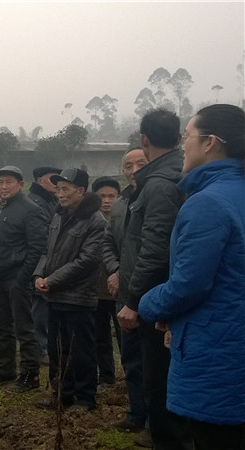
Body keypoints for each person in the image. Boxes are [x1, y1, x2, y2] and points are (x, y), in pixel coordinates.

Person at [139, 104, 245, 449]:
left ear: (210, 142)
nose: (183, 144)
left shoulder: (207, 203)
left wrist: (149, 303)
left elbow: (189, 285)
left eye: (187, 136)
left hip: (219, 355)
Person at [117, 108, 191, 448]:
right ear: (178, 138)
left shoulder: (160, 185)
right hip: (155, 295)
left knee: (158, 379)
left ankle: (165, 438)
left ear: (144, 140)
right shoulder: (165, 178)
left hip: (154, 299)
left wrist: (133, 300)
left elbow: (155, 250)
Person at [33, 168, 106, 411]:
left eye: (65, 189)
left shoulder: (95, 221)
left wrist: (52, 279)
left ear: (81, 191)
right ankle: (62, 394)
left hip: (78, 297)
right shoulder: (58, 216)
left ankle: (85, 399)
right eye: (58, 189)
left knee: (81, 350)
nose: (60, 194)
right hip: (54, 295)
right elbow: (47, 251)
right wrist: (39, 275)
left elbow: (87, 261)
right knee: (57, 349)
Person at [0, 166, 48, 392]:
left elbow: (38, 247)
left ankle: (30, 375)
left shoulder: (30, 210)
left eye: (9, 182)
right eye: (0, 182)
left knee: (23, 328)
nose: (3, 186)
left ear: (21, 184)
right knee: (1, 326)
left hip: (15, 278)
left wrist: (23, 277)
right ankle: (5, 369)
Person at [102, 147, 149, 437]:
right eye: (128, 166)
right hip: (124, 293)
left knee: (155, 363)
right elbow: (108, 243)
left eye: (140, 164)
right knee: (130, 357)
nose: (134, 170)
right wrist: (116, 271)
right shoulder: (120, 206)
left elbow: (156, 249)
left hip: (151, 292)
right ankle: (136, 412)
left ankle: (155, 424)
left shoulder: (159, 199)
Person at [28, 166, 61, 365]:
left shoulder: (52, 200)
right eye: (52, 179)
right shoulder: (35, 202)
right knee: (39, 307)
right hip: (38, 262)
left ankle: (48, 344)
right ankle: (41, 348)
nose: (57, 184)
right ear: (40, 180)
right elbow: (39, 239)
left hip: (50, 260)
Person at [92, 176, 122, 387]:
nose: (107, 200)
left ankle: (131, 376)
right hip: (96, 290)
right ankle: (106, 376)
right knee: (100, 335)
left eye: (112, 196)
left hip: (121, 289)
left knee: (124, 336)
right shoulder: (90, 221)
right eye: (102, 196)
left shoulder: (124, 221)